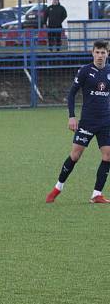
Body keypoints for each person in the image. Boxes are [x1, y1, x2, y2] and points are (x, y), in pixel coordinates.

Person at [45, 40, 110, 204]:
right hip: (87, 121)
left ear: (107, 54)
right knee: (75, 155)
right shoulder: (85, 71)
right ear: (92, 53)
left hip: (105, 122)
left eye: (103, 52)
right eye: (97, 52)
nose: (100, 55)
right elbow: (71, 94)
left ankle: (96, 194)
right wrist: (72, 116)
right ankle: (57, 188)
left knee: (108, 156)